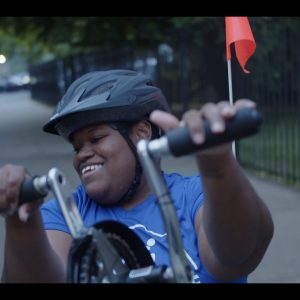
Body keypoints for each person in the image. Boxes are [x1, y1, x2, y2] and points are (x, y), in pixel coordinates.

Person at [0, 69, 273, 283]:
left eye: (96, 138)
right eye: (77, 146)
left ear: (142, 132)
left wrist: (217, 165)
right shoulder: (64, 213)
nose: (82, 154)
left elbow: (237, 255)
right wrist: (20, 220)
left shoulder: (197, 196)